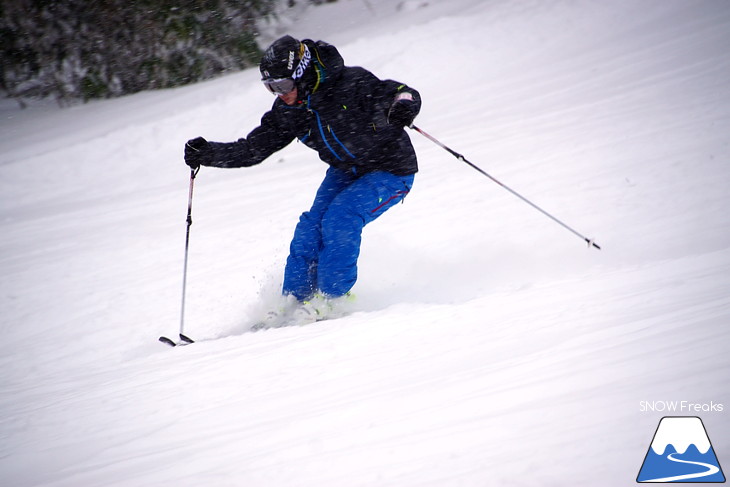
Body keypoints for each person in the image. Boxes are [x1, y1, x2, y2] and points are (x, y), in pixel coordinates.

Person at [184, 35, 421, 311]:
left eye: (282, 84)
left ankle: (333, 300)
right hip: (347, 170)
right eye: (270, 87)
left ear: (302, 73)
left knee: (341, 217)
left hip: (391, 168)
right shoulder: (289, 110)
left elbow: (403, 92)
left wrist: (404, 106)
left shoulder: (351, 83)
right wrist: (209, 153)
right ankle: (293, 302)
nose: (279, 93)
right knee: (310, 228)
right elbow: (253, 149)